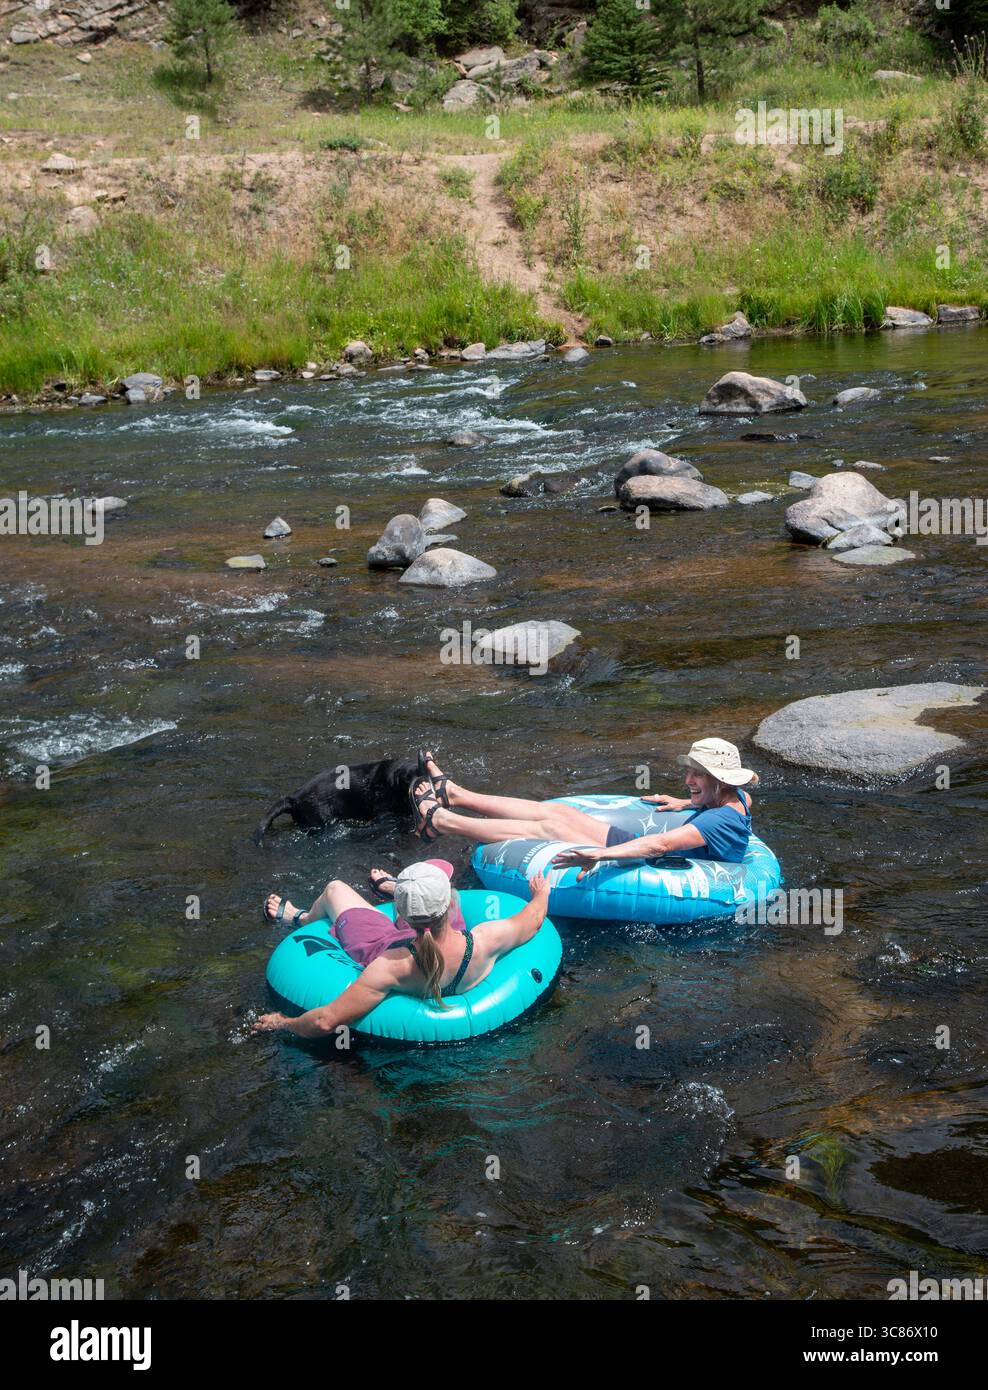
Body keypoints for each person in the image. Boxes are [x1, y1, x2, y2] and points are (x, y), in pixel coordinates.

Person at [253, 861, 551, 1037]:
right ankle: (400, 888)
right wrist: (542, 893)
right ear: (447, 904)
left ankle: (301, 919)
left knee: (335, 889)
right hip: (434, 938)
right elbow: (535, 918)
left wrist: (283, 1023)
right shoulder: (486, 939)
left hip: (389, 944)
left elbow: (326, 1020)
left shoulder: (389, 967)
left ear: (401, 917)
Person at [407, 739, 759, 879]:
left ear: (718, 779)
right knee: (561, 814)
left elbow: (660, 846)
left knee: (549, 830)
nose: (687, 779)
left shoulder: (717, 820)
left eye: (697, 775)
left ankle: (442, 821)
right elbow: (736, 802)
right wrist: (687, 801)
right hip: (656, 849)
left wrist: (599, 856)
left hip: (656, 864)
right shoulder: (738, 797)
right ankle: (455, 793)